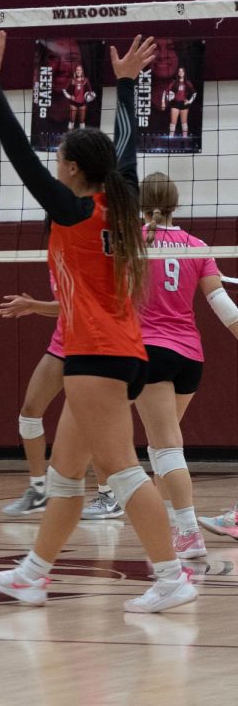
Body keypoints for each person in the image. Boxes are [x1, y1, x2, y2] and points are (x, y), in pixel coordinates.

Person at [0, 31, 196, 613]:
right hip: (115, 351)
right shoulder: (118, 199)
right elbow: (126, 148)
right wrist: (124, 85)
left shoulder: (74, 212)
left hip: (97, 356)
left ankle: (171, 575)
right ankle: (34, 572)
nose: (53, 166)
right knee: (66, 474)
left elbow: (21, 156)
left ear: (72, 169)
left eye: (60, 162)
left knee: (123, 472)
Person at [133, 171, 238, 559]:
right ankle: (174, 526)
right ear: (175, 203)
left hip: (150, 353)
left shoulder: (132, 245)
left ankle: (189, 532)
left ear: (140, 203)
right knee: (163, 445)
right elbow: (222, 305)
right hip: (190, 358)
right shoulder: (197, 245)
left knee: (166, 445)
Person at [0, 288, 122, 520]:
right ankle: (39, 490)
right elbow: (64, 307)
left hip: (95, 345)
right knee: (30, 411)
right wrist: (36, 305)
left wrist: (33, 306)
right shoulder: (58, 259)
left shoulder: (91, 256)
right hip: (63, 342)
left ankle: (109, 496)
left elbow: (79, 307)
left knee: (90, 422)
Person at [161, 67, 196, 138]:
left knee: (184, 123)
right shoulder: (174, 82)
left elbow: (194, 93)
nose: (181, 72)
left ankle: (185, 138)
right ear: (178, 73)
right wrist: (164, 101)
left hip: (184, 104)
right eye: (179, 71)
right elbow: (165, 92)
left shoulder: (187, 83)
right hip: (175, 103)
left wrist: (189, 101)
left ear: (184, 73)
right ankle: (170, 138)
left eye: (182, 71)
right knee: (173, 123)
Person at [61, 64, 94, 130]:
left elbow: (91, 91)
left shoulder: (85, 80)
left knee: (82, 121)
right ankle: (70, 137)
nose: (78, 71)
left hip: (83, 103)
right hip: (73, 104)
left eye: (80, 70)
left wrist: (91, 97)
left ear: (82, 71)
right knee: (71, 121)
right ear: (75, 71)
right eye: (77, 70)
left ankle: (81, 138)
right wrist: (69, 96)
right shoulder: (72, 80)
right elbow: (64, 90)